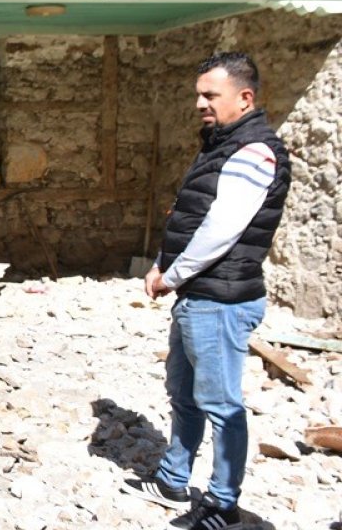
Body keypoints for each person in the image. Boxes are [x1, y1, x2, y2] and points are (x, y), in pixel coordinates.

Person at [122, 52, 291, 530]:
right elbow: (190, 214)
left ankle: (222, 505)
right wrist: (163, 262)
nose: (199, 103)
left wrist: (171, 275)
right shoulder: (221, 144)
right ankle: (173, 477)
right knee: (183, 392)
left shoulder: (254, 150)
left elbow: (222, 229)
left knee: (221, 405)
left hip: (221, 299)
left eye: (210, 95)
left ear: (245, 97)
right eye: (198, 94)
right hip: (199, 295)